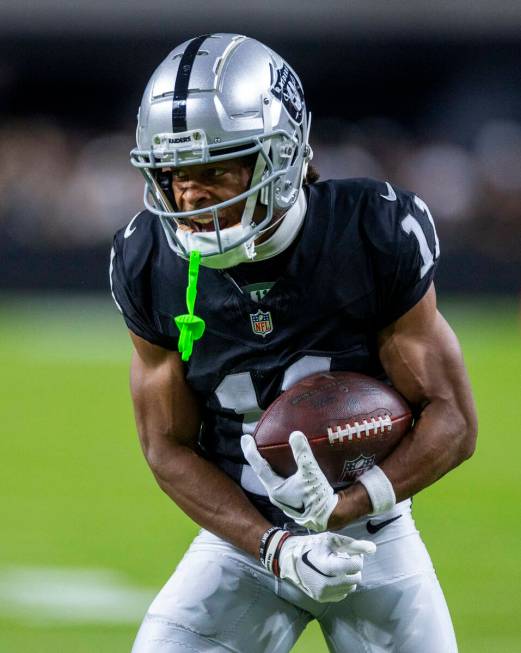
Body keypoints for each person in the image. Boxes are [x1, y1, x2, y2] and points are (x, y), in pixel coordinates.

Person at [110, 33, 477, 652]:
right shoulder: (150, 259)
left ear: (281, 155)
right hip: (244, 540)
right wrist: (274, 547)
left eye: (215, 168)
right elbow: (164, 447)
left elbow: (454, 420)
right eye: (175, 173)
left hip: (371, 530)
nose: (190, 196)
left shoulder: (371, 231)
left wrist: (349, 506)